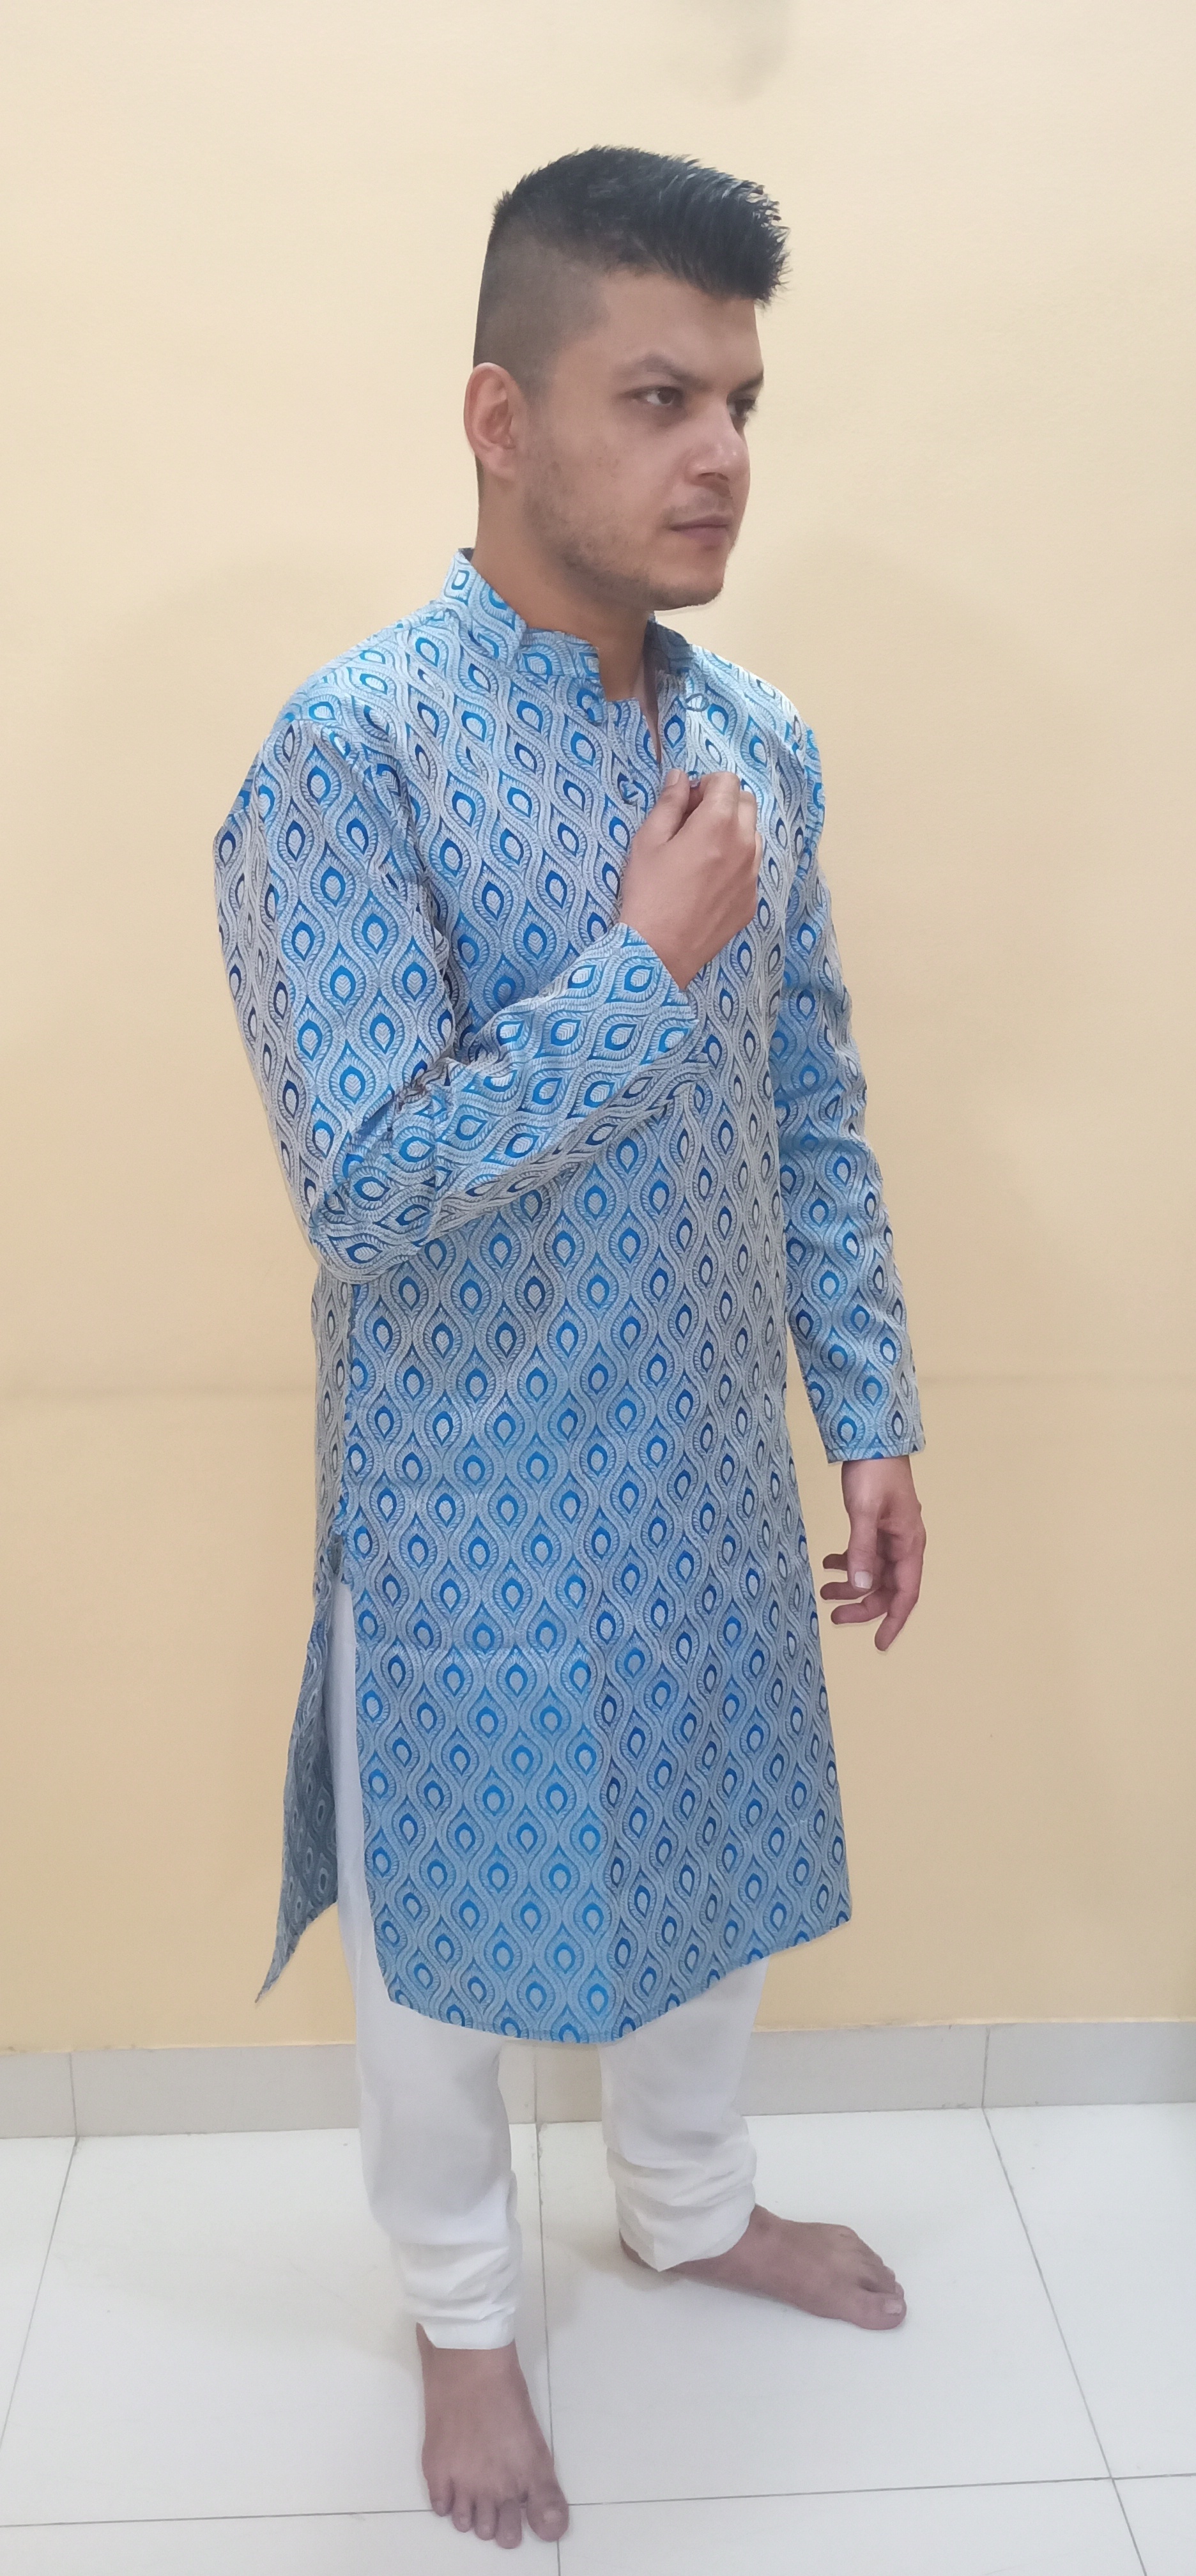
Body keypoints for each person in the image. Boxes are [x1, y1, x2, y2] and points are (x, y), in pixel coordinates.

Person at [215, 145, 926, 2552]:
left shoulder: (761, 744)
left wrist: (868, 1413)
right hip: (470, 1480)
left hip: (705, 1448)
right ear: (500, 419)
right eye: (657, 399)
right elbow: (365, 1186)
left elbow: (812, 1098)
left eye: (741, 402)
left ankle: (692, 2205)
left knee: (711, 1855)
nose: (719, 454)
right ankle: (460, 2314)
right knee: (446, 1952)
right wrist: (641, 971)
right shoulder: (354, 754)